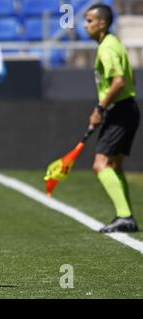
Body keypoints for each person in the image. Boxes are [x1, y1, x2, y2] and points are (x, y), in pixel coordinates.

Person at [84, 4, 140, 233]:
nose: (85, 25)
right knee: (115, 166)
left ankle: (125, 215)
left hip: (120, 110)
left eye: (89, 21)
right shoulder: (115, 43)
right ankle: (126, 216)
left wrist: (99, 108)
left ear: (102, 23)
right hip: (128, 109)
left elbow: (119, 81)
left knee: (100, 165)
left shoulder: (106, 48)